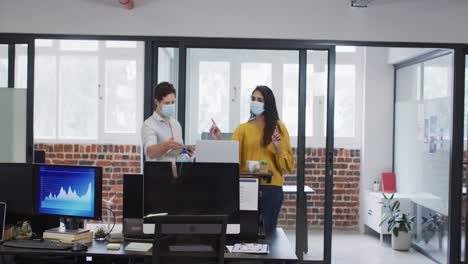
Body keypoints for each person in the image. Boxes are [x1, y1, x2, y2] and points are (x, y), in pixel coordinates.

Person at [210, 85, 295, 234]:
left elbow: (287, 166)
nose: (255, 102)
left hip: (271, 189)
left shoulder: (278, 127)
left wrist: (277, 147)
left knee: (268, 234)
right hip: (246, 186)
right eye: (253, 99)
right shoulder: (243, 129)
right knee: (246, 232)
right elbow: (231, 157)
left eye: (260, 100)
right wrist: (219, 140)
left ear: (268, 103)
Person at [142, 82, 184, 161]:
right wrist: (166, 146)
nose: (171, 106)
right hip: (158, 172)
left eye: (173, 102)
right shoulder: (149, 125)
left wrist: (186, 153)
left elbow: (179, 154)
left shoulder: (176, 124)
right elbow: (150, 152)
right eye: (167, 103)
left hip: (176, 172)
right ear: (156, 101)